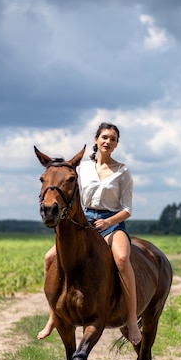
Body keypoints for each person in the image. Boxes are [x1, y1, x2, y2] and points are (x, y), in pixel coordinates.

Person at [38, 122, 142, 346]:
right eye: (104, 137)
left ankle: (132, 320)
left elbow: (127, 209)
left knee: (123, 259)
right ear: (96, 140)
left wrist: (108, 222)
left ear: (116, 144)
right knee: (49, 258)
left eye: (113, 139)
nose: (108, 141)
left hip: (112, 223)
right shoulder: (82, 168)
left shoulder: (122, 172)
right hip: (84, 222)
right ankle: (53, 316)